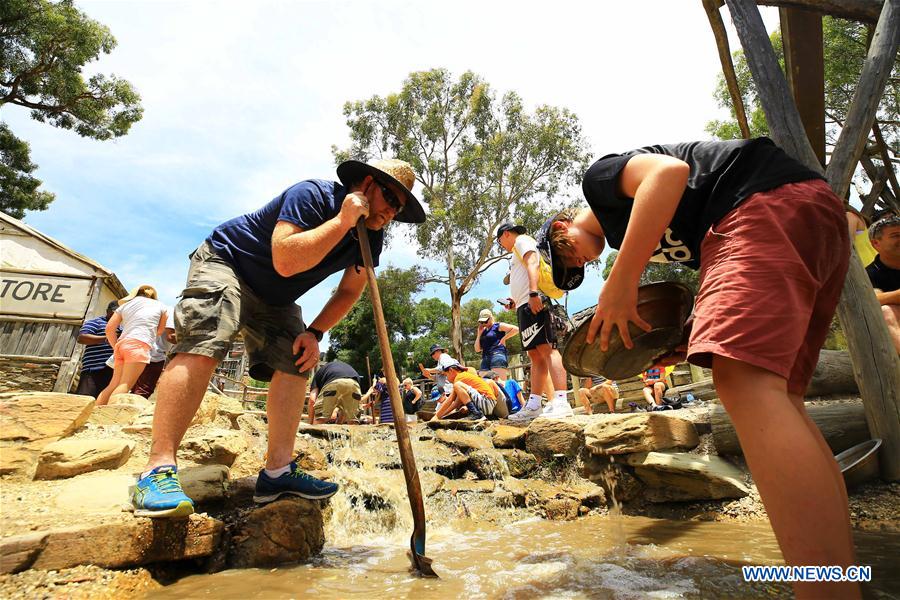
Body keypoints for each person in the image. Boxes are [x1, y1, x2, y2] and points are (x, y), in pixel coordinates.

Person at [538, 137, 858, 598]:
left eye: (569, 254)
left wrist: (621, 281)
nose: (582, 260)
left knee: (745, 385)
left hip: (761, 203)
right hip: (810, 216)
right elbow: (716, 255)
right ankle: (839, 586)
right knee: (779, 396)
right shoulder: (648, 234)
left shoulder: (599, 180)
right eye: (578, 268)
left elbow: (669, 173)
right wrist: (686, 334)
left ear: (563, 226)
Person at [131, 158, 426, 518]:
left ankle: (277, 472)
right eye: (390, 198)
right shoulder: (314, 195)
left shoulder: (370, 239)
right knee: (207, 338)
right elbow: (286, 259)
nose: (392, 211)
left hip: (276, 297)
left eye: (399, 206)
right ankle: (158, 468)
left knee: (297, 358)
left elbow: (350, 291)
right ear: (366, 184)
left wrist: (315, 333)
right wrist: (342, 221)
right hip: (229, 263)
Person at [496, 221, 572, 420]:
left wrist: (533, 292)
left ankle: (562, 401)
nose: (502, 246)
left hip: (534, 302)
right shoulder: (516, 250)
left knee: (548, 349)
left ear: (505, 234)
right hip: (524, 305)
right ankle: (534, 405)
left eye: (500, 242)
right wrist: (516, 300)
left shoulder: (521, 241)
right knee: (534, 355)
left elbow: (532, 262)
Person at [97, 286, 167, 406]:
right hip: (139, 344)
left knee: (114, 383)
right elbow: (160, 331)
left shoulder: (124, 306)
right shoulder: (161, 306)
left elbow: (109, 329)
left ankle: (95, 412)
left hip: (122, 344)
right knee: (125, 384)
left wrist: (115, 346)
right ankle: (109, 415)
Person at [866, 215, 900, 354]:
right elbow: (873, 300)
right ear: (876, 244)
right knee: (886, 311)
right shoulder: (870, 273)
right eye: (896, 235)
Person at [75, 301, 120, 398]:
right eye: (114, 312)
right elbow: (82, 338)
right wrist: (108, 338)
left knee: (104, 402)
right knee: (86, 398)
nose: (116, 315)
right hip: (93, 368)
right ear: (107, 311)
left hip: (112, 370)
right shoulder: (95, 322)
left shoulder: (121, 327)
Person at [132, 305, 176, 398]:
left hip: (136, 351)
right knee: (143, 390)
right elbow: (171, 336)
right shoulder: (171, 311)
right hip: (153, 356)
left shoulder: (147, 310)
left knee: (131, 387)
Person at [431, 361, 496, 422]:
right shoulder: (463, 379)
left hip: (486, 402)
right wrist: (442, 415)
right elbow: (456, 403)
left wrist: (437, 416)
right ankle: (475, 413)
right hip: (488, 406)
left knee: (457, 385)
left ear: (451, 370)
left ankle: (475, 413)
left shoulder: (459, 378)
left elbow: (450, 399)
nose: (446, 378)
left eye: (446, 375)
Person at [474, 309, 518, 378]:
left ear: (491, 318)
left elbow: (516, 329)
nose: (483, 323)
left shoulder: (498, 326)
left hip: (497, 355)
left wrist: (504, 338)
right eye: (481, 322)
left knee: (500, 383)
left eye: (485, 321)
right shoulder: (483, 332)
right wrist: (479, 334)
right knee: (485, 384)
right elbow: (477, 349)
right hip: (485, 358)